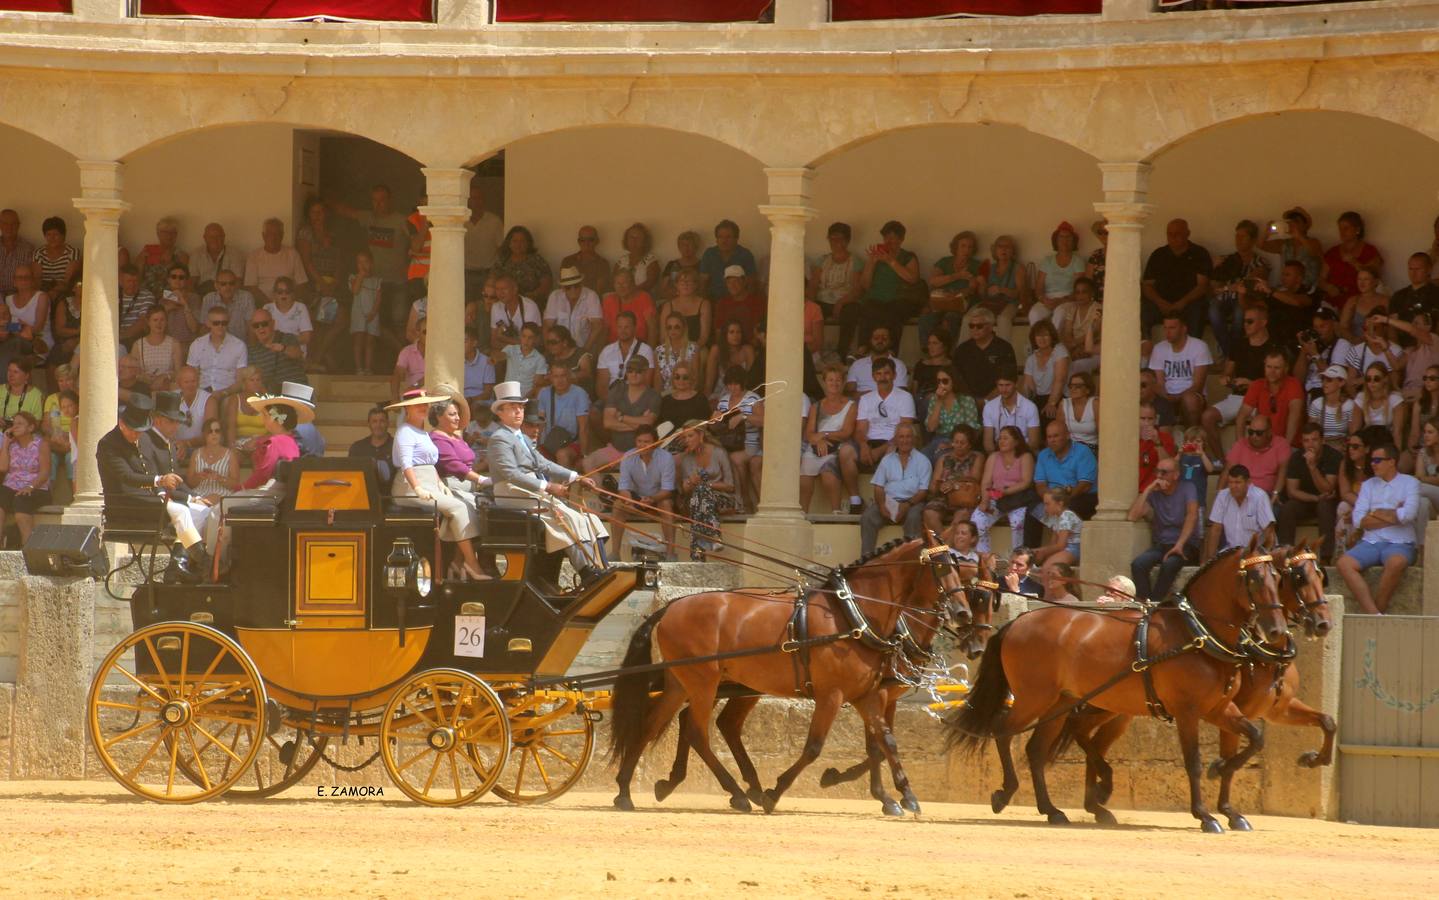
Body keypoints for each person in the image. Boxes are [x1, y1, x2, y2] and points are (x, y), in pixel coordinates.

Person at [487, 381, 608, 584]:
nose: (518, 412)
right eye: (512, 408)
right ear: (500, 412)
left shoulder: (522, 438)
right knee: (565, 516)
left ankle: (599, 566)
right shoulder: (499, 438)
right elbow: (511, 474)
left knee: (585, 518)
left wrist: (575, 477)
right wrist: (549, 486)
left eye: (520, 407)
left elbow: (544, 464)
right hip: (511, 492)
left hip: (530, 491)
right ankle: (586, 572)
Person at [96, 394, 209, 583]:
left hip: (147, 500)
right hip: (124, 504)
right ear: (122, 424)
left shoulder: (138, 440)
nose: (137, 436)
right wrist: (160, 481)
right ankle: (204, 561)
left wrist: (167, 491)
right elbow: (126, 476)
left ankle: (177, 565)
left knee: (198, 513)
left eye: (141, 431)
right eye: (134, 431)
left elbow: (146, 470)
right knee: (181, 510)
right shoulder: (108, 444)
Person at [385, 389, 488, 581]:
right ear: (407, 409)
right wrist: (417, 488)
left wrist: (441, 484)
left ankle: (455, 562)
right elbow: (408, 464)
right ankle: (471, 563)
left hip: (431, 482)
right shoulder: (404, 431)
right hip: (408, 486)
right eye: (418, 405)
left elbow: (431, 464)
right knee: (457, 507)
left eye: (425, 405)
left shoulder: (422, 432)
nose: (423, 408)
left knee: (466, 503)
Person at [1338, 443, 1422, 614]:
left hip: (1401, 542)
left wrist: (1374, 513)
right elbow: (1358, 520)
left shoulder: (1410, 483)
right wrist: (1394, 515)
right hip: (1371, 541)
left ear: (1392, 461)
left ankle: (1378, 611)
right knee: (1344, 563)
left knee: (1396, 562)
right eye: (1372, 460)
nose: (1373, 464)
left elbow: (1409, 515)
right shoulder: (1368, 485)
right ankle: (1374, 614)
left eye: (1378, 460)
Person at [838, 357, 915, 515]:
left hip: (894, 442)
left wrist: (879, 450)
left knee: (891, 453)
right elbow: (860, 430)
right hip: (870, 441)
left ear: (894, 375)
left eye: (887, 373)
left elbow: (904, 429)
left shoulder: (905, 397)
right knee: (845, 451)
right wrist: (863, 445)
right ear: (873, 377)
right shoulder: (866, 399)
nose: (883, 377)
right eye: (878, 374)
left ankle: (882, 501)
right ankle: (855, 500)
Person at [1200, 304, 1275, 453]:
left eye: (1250, 321)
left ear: (1263, 322)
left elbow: (1277, 382)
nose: (1245, 325)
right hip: (1238, 397)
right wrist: (1226, 378)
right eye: (1244, 322)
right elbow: (1228, 370)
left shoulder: (1274, 347)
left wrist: (1252, 384)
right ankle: (1223, 461)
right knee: (1207, 416)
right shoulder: (1239, 344)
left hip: (1263, 397)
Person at [1128, 458, 1201, 602]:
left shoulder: (1188, 488)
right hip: (1162, 545)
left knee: (1169, 565)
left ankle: (1155, 604)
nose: (1159, 476)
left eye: (1164, 472)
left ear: (1176, 475)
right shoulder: (1155, 493)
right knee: (1138, 564)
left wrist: (1179, 544)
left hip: (1186, 544)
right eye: (1157, 471)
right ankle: (1144, 603)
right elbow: (1132, 516)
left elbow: (1192, 516)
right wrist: (1147, 490)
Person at [1276, 422, 1344, 564]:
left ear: (1322, 440)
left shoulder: (1333, 456)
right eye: (1306, 441)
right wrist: (1314, 498)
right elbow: (1292, 491)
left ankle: (1325, 557)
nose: (1310, 444)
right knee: (1288, 507)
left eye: (1314, 440)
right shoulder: (1296, 458)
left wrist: (1312, 467)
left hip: (1328, 501)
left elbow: (1327, 489)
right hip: (1307, 500)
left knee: (1324, 506)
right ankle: (1285, 554)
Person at [860, 422, 931, 555]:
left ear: (914, 439)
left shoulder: (923, 461)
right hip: (888, 503)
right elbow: (878, 487)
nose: (905, 440)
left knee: (914, 516)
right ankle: (866, 561)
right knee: (867, 517)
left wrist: (907, 504)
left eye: (908, 437)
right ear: (896, 440)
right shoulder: (887, 460)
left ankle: (912, 561)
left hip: (913, 503)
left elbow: (923, 491)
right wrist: (881, 505)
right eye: (901, 437)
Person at [1026, 419, 1098, 548]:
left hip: (1079, 496)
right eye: (1049, 437)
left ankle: (1063, 550)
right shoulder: (1043, 455)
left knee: (1070, 509)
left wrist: (1062, 502)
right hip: (1054, 497)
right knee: (1032, 508)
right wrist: (1049, 500)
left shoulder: (1083, 452)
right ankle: (1030, 555)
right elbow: (1040, 485)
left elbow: (1084, 486)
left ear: (1067, 435)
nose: (1052, 440)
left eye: (1056, 436)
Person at [610, 424, 676, 558]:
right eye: (639, 441)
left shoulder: (666, 458)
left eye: (646, 441)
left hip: (658, 499)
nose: (642, 445)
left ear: (655, 443)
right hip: (637, 499)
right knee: (618, 505)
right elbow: (623, 487)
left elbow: (668, 489)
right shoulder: (628, 456)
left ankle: (670, 554)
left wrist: (652, 499)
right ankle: (615, 553)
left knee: (666, 505)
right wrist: (628, 500)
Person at [675, 421, 738, 560]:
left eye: (690, 436)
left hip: (722, 499)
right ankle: (714, 535)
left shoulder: (718, 453)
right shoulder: (687, 459)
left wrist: (706, 484)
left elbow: (730, 485)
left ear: (701, 435)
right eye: (684, 437)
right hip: (697, 502)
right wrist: (691, 482)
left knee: (701, 490)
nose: (687, 440)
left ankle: (697, 552)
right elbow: (685, 490)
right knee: (698, 495)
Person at [1210, 220, 1272, 360]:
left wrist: (1226, 287)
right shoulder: (1227, 259)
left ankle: (1232, 357)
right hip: (1225, 298)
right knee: (1213, 309)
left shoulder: (1260, 262)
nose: (1238, 240)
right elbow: (1214, 286)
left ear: (1252, 240)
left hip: (1247, 299)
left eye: (1243, 237)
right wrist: (1214, 269)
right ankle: (1230, 356)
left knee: (1240, 315)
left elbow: (1248, 283)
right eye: (1237, 236)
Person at [1142, 218, 1212, 339]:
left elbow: (1202, 286)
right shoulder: (1159, 254)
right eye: (1170, 234)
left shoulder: (1199, 253)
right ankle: (1144, 349)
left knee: (1198, 309)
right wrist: (1160, 302)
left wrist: (1182, 303)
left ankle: (1192, 352)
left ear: (1187, 234)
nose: (1173, 237)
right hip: (1162, 304)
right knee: (1142, 311)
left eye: (1177, 234)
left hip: (1188, 304)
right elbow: (1147, 285)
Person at [970, 425, 1035, 555]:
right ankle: (984, 557)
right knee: (978, 519)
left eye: (1006, 438)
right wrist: (984, 501)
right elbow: (986, 482)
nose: (1001, 441)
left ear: (1016, 441)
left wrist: (1005, 491)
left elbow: (1026, 482)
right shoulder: (994, 457)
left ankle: (1018, 557)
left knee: (1018, 522)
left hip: (1017, 500)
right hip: (996, 499)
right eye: (1000, 438)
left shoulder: (1025, 456)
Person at [588, 355, 661, 471]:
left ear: (646, 372)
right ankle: (601, 490)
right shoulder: (617, 390)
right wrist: (638, 424)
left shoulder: (653, 396)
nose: (633, 374)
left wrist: (621, 417)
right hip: (615, 449)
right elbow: (608, 423)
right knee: (588, 462)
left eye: (638, 371)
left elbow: (648, 423)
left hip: (639, 453)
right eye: (630, 370)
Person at [802, 363, 857, 514]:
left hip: (839, 446)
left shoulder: (851, 405)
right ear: (824, 382)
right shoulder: (816, 406)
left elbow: (846, 432)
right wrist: (818, 440)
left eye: (838, 380)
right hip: (816, 446)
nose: (834, 383)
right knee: (805, 472)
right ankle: (803, 513)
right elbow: (809, 433)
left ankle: (836, 511)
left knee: (828, 472)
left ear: (844, 382)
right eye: (831, 380)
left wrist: (825, 435)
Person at [857, 220, 921, 348]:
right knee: (867, 311)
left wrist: (891, 261)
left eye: (892, 238)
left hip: (899, 300)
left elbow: (912, 278)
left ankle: (891, 353)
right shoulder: (877, 257)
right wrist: (872, 262)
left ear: (901, 239)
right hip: (876, 299)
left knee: (892, 315)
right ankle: (863, 350)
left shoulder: (908, 257)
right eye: (886, 237)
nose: (888, 241)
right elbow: (865, 285)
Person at [713, 367, 764, 512]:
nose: (732, 387)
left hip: (751, 442)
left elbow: (765, 420)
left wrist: (744, 416)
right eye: (729, 384)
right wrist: (715, 419)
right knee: (726, 458)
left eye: (736, 384)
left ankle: (744, 501)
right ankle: (742, 501)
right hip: (728, 442)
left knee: (735, 459)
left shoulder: (753, 398)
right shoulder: (723, 400)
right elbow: (716, 427)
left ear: (742, 383)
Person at [959, 234, 1026, 343]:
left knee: (1003, 319)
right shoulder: (989, 267)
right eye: (1000, 246)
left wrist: (1001, 290)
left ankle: (1004, 354)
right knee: (968, 318)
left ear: (1012, 251)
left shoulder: (1018, 268)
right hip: (989, 304)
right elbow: (982, 296)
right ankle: (962, 355)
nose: (1003, 249)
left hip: (1009, 303)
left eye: (1007, 247)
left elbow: (1019, 293)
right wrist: (983, 285)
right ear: (995, 250)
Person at [921, 424, 984, 538]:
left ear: (970, 444)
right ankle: (946, 547)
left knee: (961, 517)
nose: (958, 445)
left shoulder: (977, 457)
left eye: (962, 443)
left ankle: (945, 548)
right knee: (929, 513)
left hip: (965, 498)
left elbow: (975, 478)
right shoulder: (944, 458)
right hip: (943, 497)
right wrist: (940, 485)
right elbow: (933, 485)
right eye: (956, 442)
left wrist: (954, 482)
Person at [1202, 464, 1276, 560]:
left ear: (1248, 482)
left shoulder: (1260, 497)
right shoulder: (1222, 496)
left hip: (1255, 554)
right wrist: (1210, 559)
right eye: (1230, 482)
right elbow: (1216, 529)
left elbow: (1269, 532)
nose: (1233, 486)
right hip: (1231, 552)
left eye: (1237, 482)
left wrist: (1265, 558)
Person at [921, 230, 983, 343]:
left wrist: (959, 293)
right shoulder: (944, 262)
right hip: (941, 301)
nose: (966, 250)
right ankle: (927, 350)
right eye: (963, 246)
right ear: (955, 247)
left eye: (970, 247)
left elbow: (972, 288)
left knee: (951, 318)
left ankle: (947, 352)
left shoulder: (976, 265)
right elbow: (933, 281)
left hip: (961, 303)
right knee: (927, 318)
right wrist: (958, 276)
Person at [1236, 349, 1306, 449]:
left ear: (1286, 368)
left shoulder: (1294, 384)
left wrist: (1284, 447)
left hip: (1290, 445)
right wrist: (1241, 447)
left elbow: (1294, 417)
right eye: (1268, 367)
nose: (1272, 372)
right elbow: (1241, 417)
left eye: (1277, 368)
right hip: (1263, 446)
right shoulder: (1257, 385)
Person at [0, 410, 50, 546]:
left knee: (21, 502)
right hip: (11, 486)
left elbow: (45, 473)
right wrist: (5, 443)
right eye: (14, 424)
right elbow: (3, 468)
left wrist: (30, 487)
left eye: (20, 424)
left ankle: (26, 555)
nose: (15, 427)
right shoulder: (11, 445)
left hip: (36, 488)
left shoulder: (41, 444)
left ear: (31, 427)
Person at [813, 222, 865, 350]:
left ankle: (841, 352)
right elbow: (813, 285)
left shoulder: (856, 261)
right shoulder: (822, 260)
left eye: (840, 238)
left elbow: (858, 290)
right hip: (823, 300)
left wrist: (840, 303)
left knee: (851, 314)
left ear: (847, 241)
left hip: (846, 301)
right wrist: (809, 302)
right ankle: (814, 350)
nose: (835, 242)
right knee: (811, 311)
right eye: (832, 238)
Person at [952, 307, 1017, 404]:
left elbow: (1010, 379)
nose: (974, 329)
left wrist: (986, 401)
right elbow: (956, 379)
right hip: (967, 402)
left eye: (979, 326)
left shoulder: (1004, 348)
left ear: (990, 327)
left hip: (998, 399)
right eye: (971, 325)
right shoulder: (962, 350)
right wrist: (971, 402)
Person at [1320, 211, 1383, 307]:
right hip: (1334, 301)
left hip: (1360, 301)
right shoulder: (1332, 252)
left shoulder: (1370, 251)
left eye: (1346, 228)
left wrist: (1354, 262)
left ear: (1357, 229)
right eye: (1340, 228)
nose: (1342, 232)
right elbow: (1320, 279)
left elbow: (1374, 277)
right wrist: (1328, 287)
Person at [536, 361, 590, 470]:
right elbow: (540, 423)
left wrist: (584, 456)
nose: (559, 380)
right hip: (550, 441)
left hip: (572, 442)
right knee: (534, 455)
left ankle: (565, 486)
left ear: (569, 376)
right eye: (556, 376)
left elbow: (584, 427)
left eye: (563, 375)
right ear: (550, 377)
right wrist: (535, 446)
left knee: (562, 454)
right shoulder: (544, 393)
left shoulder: (579, 394)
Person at [1258, 206, 1324, 292]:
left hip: (1308, 290)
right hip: (1288, 289)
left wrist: (1298, 235)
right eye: (1290, 221)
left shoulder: (1313, 242)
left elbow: (1314, 251)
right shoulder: (1285, 243)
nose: (1292, 224)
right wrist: (1266, 233)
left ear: (1305, 226)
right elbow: (1260, 245)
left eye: (1296, 221)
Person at [1030, 222, 1084, 326]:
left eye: (1068, 237)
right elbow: (1039, 287)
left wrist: (1061, 301)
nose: (1065, 240)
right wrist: (1043, 299)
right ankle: (1037, 342)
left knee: (1060, 314)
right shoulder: (1047, 261)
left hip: (1068, 300)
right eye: (1061, 237)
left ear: (1074, 241)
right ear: (1056, 240)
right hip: (1048, 299)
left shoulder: (1078, 261)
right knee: (1034, 314)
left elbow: (1079, 289)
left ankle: (1058, 342)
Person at [243, 218, 307, 305]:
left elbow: (302, 283)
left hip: (289, 304)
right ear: (263, 236)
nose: (273, 237)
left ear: (282, 235)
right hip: (263, 305)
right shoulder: (254, 256)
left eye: (277, 234)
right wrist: (271, 306)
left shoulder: (292, 254)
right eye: (270, 234)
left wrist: (289, 302)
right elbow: (251, 287)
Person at [186, 305, 248, 394]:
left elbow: (240, 382)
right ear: (208, 323)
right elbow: (191, 377)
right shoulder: (197, 344)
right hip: (201, 392)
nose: (220, 326)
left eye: (224, 323)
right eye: (216, 323)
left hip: (227, 393)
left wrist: (223, 393)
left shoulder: (239, 345)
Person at [1224, 413, 1290, 496]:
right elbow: (1227, 471)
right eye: (1251, 432)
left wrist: (1275, 494)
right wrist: (1219, 495)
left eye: (1259, 433)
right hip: (1242, 495)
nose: (1254, 436)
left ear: (1269, 432)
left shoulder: (1281, 444)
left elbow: (1283, 473)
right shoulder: (1240, 444)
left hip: (1267, 496)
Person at [922, 366, 979, 461]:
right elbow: (931, 428)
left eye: (945, 381)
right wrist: (939, 402)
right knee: (922, 457)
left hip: (960, 441)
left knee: (940, 456)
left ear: (954, 381)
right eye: (938, 381)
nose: (941, 384)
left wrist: (952, 444)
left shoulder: (966, 400)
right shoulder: (934, 400)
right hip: (938, 439)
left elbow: (972, 430)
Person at [597, 311, 657, 402]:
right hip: (610, 399)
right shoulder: (606, 351)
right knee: (594, 412)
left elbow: (646, 383)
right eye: (620, 327)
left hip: (634, 399)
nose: (622, 331)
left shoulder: (645, 350)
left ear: (634, 328)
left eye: (627, 327)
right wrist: (611, 404)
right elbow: (601, 386)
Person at [546, 266, 605, 357]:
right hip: (559, 350)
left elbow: (597, 326)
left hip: (584, 348)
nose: (573, 290)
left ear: (581, 283)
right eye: (568, 287)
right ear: (562, 287)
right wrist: (550, 350)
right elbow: (547, 326)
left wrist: (582, 352)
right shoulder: (555, 296)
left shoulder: (591, 296)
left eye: (576, 286)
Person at [981, 365, 1041, 454]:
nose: (1004, 389)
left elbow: (1034, 443)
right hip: (999, 454)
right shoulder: (989, 407)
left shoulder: (1030, 407)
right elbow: (988, 443)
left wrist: (1013, 455)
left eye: (1007, 385)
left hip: (1024, 453)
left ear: (1016, 384)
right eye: (1000, 385)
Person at [245, 309, 307, 392]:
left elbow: (297, 353)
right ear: (252, 329)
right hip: (272, 397)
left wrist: (283, 348)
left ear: (273, 323)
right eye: (256, 325)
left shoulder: (287, 338)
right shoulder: (252, 351)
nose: (260, 328)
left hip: (296, 392)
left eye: (264, 324)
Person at [1020, 320, 1069, 422]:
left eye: (1046, 335)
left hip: (1059, 397)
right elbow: (1028, 387)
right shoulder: (1031, 358)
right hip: (1039, 398)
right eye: (1038, 335)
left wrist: (1052, 403)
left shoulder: (1060, 351)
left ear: (1052, 336)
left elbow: (1060, 380)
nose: (1042, 339)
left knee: (1048, 416)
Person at [698, 219, 757, 302]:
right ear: (716, 239)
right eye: (720, 237)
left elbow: (751, 283)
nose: (724, 241)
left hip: (737, 302)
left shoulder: (745, 255)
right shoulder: (710, 254)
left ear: (736, 238)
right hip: (713, 301)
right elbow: (703, 283)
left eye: (728, 237)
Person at [185, 416, 239, 505]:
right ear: (204, 434)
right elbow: (190, 482)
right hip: (199, 492)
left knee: (213, 497)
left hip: (221, 493)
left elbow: (235, 483)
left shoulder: (230, 454)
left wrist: (219, 478)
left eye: (217, 431)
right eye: (210, 431)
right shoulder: (196, 454)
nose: (214, 434)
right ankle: (202, 504)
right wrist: (199, 477)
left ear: (221, 434)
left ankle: (202, 504)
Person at [1054, 276, 1101, 378]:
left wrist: (1075, 345)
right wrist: (1073, 348)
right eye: (1077, 292)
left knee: (1074, 367)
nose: (1080, 295)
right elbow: (1067, 333)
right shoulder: (1072, 309)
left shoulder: (1097, 309)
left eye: (1084, 292)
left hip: (1093, 350)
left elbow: (1095, 332)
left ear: (1091, 293)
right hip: (1075, 350)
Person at [1354, 360, 1406, 449]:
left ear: (1385, 379)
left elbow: (1397, 432)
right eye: (1368, 379)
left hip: (1387, 441)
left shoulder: (1395, 399)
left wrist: (1397, 455)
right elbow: (1355, 429)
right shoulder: (1360, 397)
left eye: (1376, 379)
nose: (1372, 382)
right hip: (1367, 440)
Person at [1389, 252, 1439, 343]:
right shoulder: (1398, 295)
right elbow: (1392, 327)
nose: (1413, 273)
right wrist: (1397, 350)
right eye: (1410, 269)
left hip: (1429, 348)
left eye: (1418, 269)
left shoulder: (1436, 294)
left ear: (1429, 270)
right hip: (1403, 348)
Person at [1031, 486, 1082, 576]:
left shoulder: (1067, 516)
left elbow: (1061, 545)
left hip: (1074, 548)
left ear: (1060, 504)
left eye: (1048, 504)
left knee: (1048, 568)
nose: (1045, 508)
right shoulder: (1055, 517)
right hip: (1066, 548)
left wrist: (1041, 550)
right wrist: (1040, 552)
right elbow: (1053, 544)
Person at [135, 217, 189, 298]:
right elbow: (137, 279)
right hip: (147, 296)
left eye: (173, 233)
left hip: (170, 297)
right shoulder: (147, 252)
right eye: (165, 232)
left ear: (176, 235)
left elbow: (184, 284)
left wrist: (170, 263)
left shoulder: (182, 256)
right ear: (158, 233)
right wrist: (140, 262)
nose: (169, 236)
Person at [494, 225, 553, 301]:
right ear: (509, 243)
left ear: (528, 243)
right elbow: (492, 281)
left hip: (531, 302)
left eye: (522, 241)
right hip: (505, 302)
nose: (518, 245)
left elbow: (546, 284)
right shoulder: (502, 261)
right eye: (515, 241)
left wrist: (530, 297)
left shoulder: (537, 260)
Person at [846, 326, 910, 395]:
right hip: (861, 403)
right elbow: (850, 392)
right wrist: (869, 398)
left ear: (890, 341)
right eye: (876, 338)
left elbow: (902, 393)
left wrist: (876, 396)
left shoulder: (898, 364)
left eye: (884, 338)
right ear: (870, 340)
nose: (880, 341)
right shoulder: (857, 364)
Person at [658, 266, 711, 350]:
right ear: (676, 285)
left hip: (696, 348)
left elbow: (704, 337)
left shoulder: (704, 304)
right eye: (682, 281)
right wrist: (674, 351)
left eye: (689, 281)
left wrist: (689, 352)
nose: (685, 284)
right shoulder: (668, 306)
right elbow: (663, 336)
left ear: (696, 285)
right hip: (672, 349)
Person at [130, 307, 181, 390]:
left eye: (162, 320)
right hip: (144, 387)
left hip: (167, 387)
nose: (159, 323)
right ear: (148, 322)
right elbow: (132, 371)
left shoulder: (174, 344)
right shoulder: (138, 345)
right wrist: (143, 377)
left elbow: (179, 372)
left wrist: (165, 376)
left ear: (166, 322)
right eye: (155, 320)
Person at [714, 264, 766, 347]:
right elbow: (718, 332)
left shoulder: (756, 302)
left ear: (744, 281)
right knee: (712, 350)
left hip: (749, 347)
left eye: (736, 281)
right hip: (725, 347)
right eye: (729, 282)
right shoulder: (722, 303)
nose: (732, 285)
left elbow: (757, 332)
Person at [200, 268, 257, 342]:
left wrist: (250, 350)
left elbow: (251, 328)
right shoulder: (208, 299)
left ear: (236, 284)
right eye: (223, 284)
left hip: (241, 345)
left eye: (231, 283)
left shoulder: (246, 297)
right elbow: (205, 328)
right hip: (216, 346)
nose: (228, 287)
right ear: (216, 285)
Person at [490, 272, 542, 353]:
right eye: (497, 289)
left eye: (504, 289)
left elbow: (533, 343)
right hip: (508, 353)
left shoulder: (530, 307)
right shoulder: (496, 307)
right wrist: (515, 346)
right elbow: (494, 342)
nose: (500, 293)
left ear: (515, 289)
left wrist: (503, 338)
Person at [32, 216, 80, 299]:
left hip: (64, 292)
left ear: (63, 235)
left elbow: (68, 281)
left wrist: (54, 291)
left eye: (56, 234)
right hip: (43, 292)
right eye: (48, 234)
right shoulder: (39, 253)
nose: (52, 238)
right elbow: (37, 280)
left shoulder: (73, 252)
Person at [190, 222, 243, 296]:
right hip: (202, 294)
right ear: (204, 238)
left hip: (227, 294)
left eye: (219, 236)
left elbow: (238, 281)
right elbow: (192, 281)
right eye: (211, 237)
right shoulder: (196, 254)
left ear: (224, 237)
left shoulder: (235, 254)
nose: (215, 240)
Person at [654, 312, 699, 396]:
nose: (672, 330)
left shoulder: (693, 348)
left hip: (687, 394)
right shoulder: (659, 351)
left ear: (684, 328)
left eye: (677, 327)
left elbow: (695, 379)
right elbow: (658, 381)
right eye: (669, 327)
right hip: (666, 396)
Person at [658, 362, 711, 433]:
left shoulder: (700, 398)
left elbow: (704, 424)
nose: (681, 380)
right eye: (677, 377)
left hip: (693, 439)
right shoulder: (666, 400)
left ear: (692, 378)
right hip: (670, 440)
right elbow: (661, 425)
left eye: (685, 377)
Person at [348, 405, 395, 483]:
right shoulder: (357, 447)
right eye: (374, 421)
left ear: (388, 423)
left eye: (382, 421)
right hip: (363, 492)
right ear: (368, 424)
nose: (378, 425)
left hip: (389, 494)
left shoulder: (396, 446)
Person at [559, 225, 611, 295]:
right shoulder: (568, 261)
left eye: (591, 240)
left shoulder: (603, 264)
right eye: (582, 240)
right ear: (578, 242)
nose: (586, 243)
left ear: (597, 241)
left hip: (592, 302)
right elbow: (563, 288)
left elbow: (600, 291)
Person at [614, 222, 661, 296]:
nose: (634, 241)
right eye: (631, 237)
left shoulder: (651, 261)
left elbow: (650, 284)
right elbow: (614, 281)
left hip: (643, 299)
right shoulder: (621, 260)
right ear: (626, 240)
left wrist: (629, 293)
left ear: (645, 241)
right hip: (622, 299)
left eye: (638, 237)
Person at [502, 322, 547, 397]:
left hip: (525, 398)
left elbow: (535, 385)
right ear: (520, 336)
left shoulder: (540, 359)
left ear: (535, 339)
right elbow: (500, 356)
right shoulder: (510, 349)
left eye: (530, 337)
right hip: (506, 395)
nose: (526, 340)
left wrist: (524, 400)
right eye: (524, 336)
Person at [1137, 402, 1175, 491]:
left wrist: (1157, 443)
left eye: (1150, 419)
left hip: (1155, 491)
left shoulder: (1165, 438)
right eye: (1142, 418)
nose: (1146, 423)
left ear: (1155, 419)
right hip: (1132, 490)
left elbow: (1168, 466)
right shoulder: (1128, 438)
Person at [660, 230, 706, 302]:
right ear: (679, 247)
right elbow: (663, 289)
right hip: (672, 301)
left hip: (694, 302)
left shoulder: (703, 265)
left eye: (689, 245)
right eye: (683, 245)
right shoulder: (671, 264)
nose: (686, 248)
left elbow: (702, 289)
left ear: (696, 247)